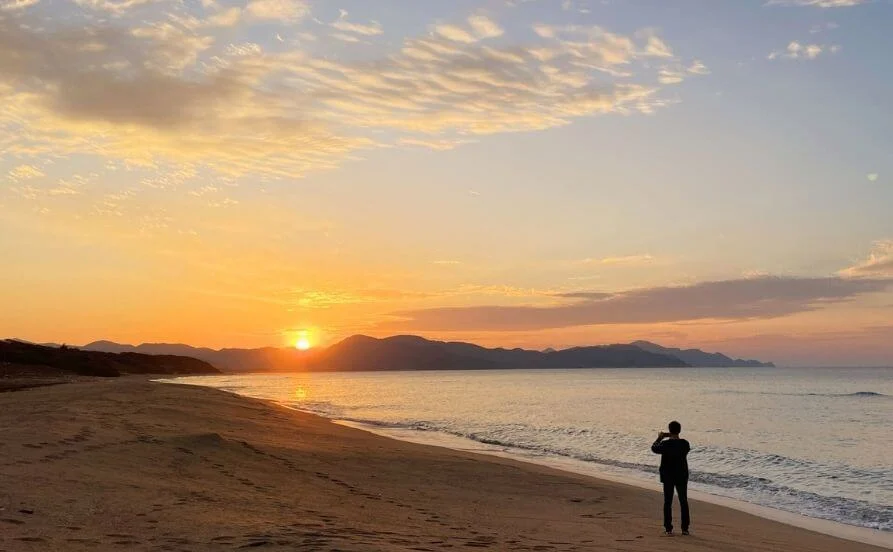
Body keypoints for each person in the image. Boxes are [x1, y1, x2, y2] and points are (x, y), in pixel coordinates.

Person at [651, 420, 690, 535]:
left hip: (668, 475)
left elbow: (654, 448)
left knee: (668, 502)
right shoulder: (685, 444)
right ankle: (685, 528)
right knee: (683, 501)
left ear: (669, 430)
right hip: (681, 475)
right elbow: (683, 449)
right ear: (680, 430)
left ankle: (668, 528)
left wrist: (660, 438)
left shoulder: (665, 444)